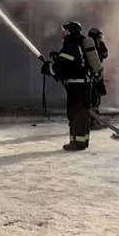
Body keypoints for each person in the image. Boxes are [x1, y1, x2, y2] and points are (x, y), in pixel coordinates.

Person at [41, 21, 95, 151]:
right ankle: (82, 141)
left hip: (77, 86)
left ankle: (77, 143)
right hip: (83, 84)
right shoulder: (77, 44)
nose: (62, 32)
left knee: (75, 114)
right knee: (82, 114)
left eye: (64, 30)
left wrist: (49, 69)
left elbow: (62, 66)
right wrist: (57, 58)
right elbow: (71, 63)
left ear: (70, 31)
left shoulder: (71, 45)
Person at [87, 27, 108, 130]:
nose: (101, 39)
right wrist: (93, 75)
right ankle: (91, 122)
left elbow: (105, 55)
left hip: (98, 75)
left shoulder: (100, 45)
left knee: (97, 99)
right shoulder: (89, 47)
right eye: (99, 37)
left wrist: (102, 48)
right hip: (91, 76)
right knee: (92, 99)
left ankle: (97, 120)